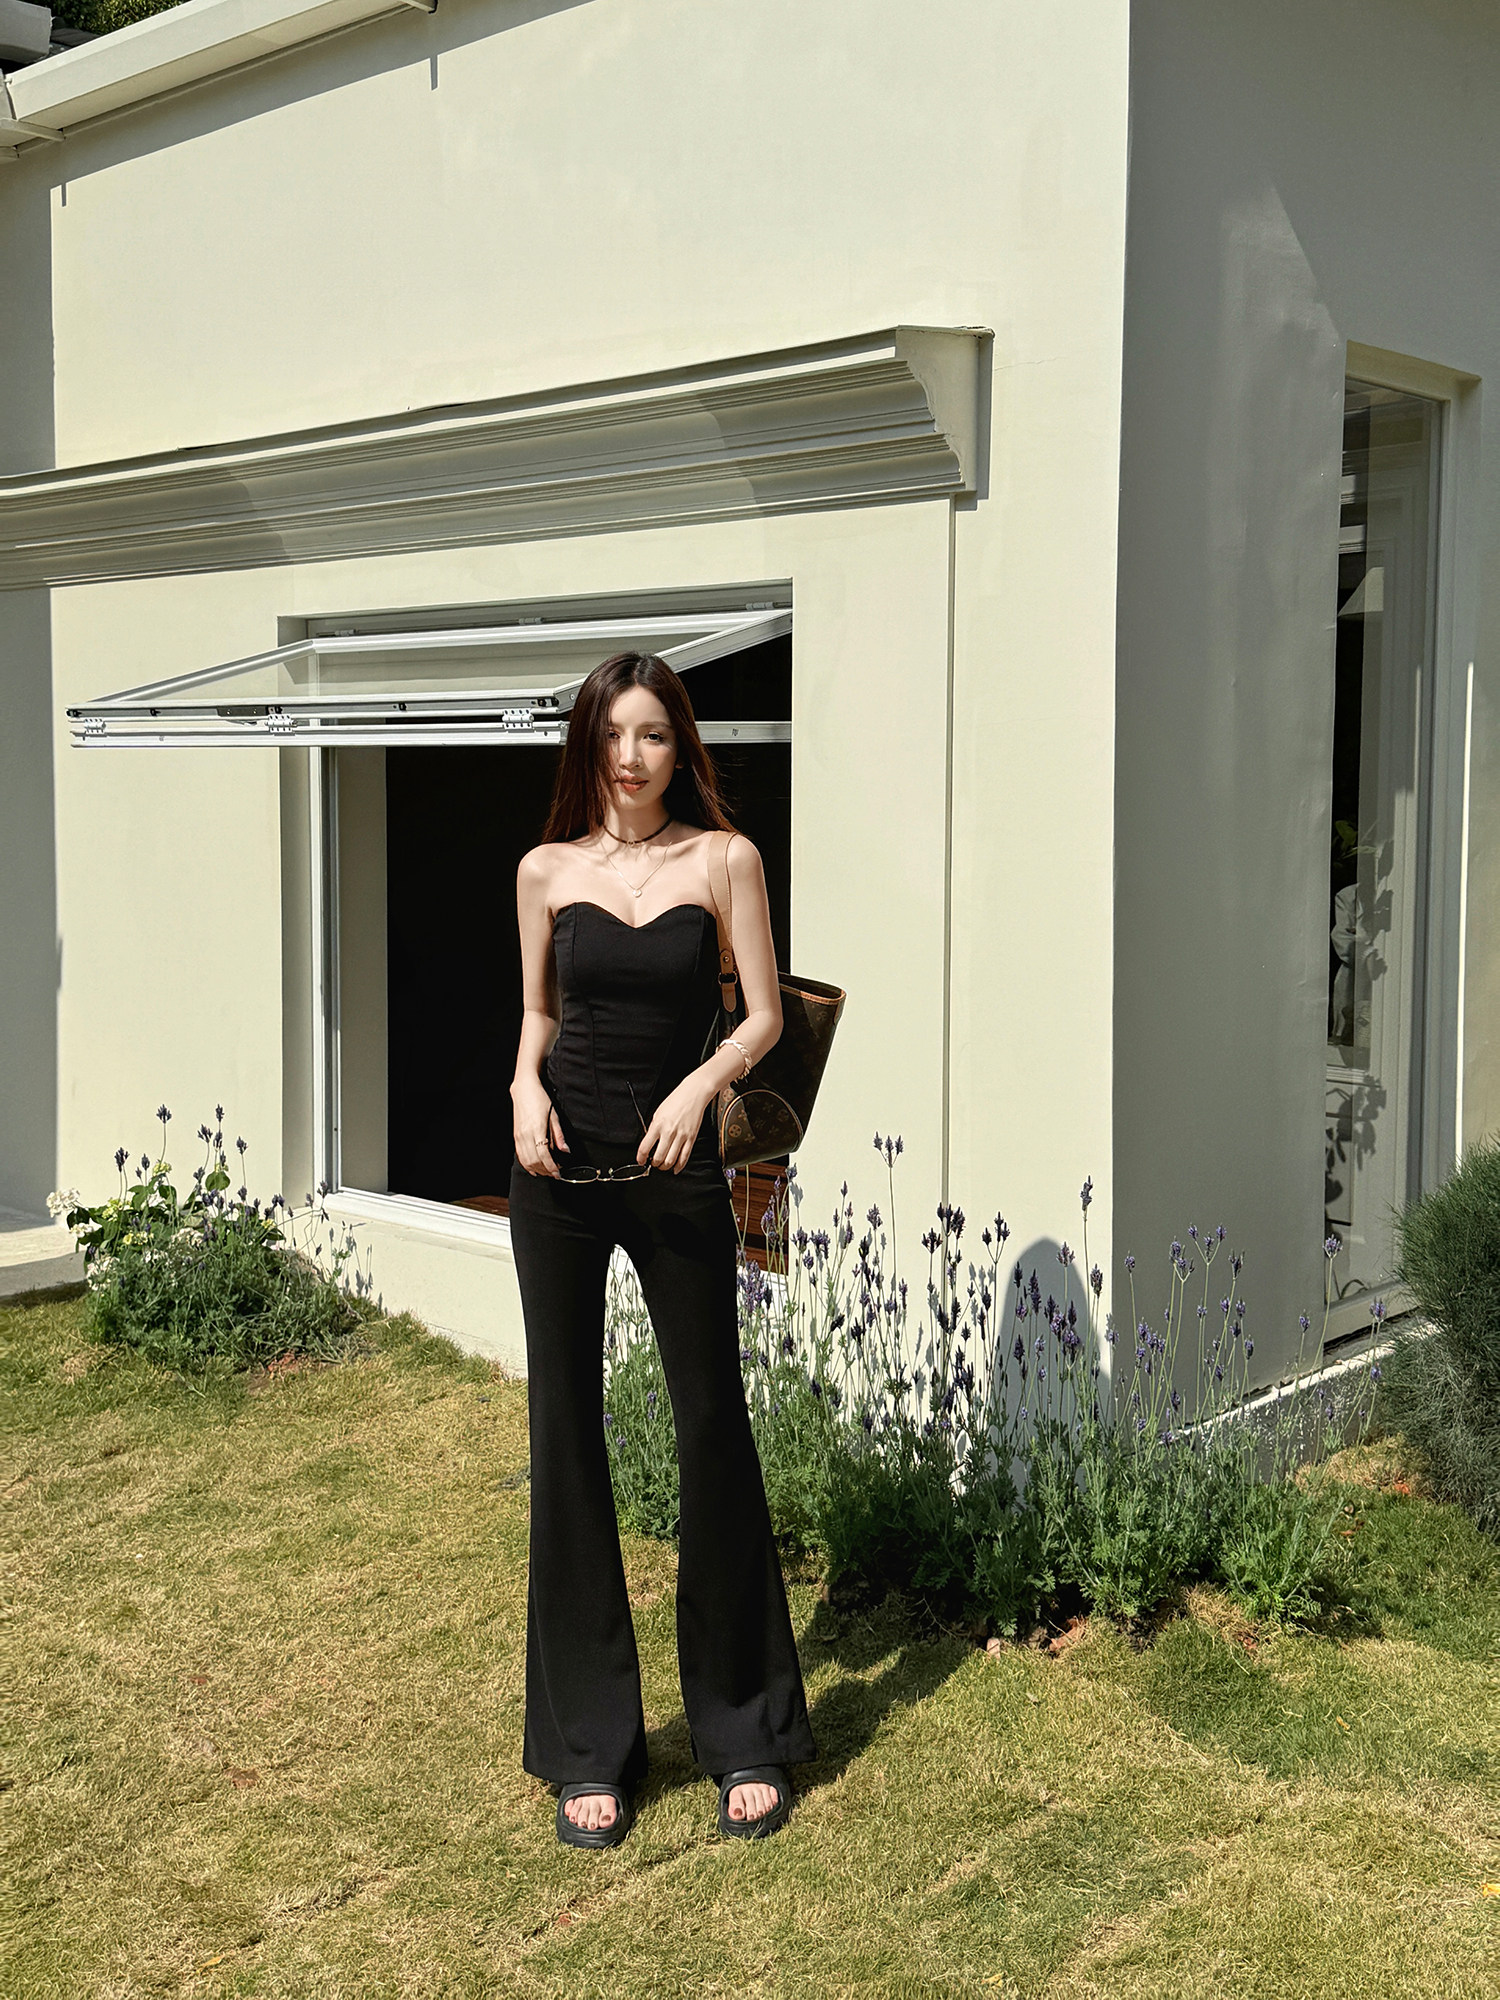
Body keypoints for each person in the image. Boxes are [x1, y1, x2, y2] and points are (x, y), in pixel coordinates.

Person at [508, 650, 816, 1850]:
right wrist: (523, 1086)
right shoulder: (545, 870)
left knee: (712, 1426)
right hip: (558, 1175)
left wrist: (697, 1086)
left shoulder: (723, 858)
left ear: (679, 746)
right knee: (564, 1432)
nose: (631, 756)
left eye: (651, 734)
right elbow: (539, 1011)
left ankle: (745, 1725)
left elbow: (767, 1012)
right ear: (587, 745)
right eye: (612, 734)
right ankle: (590, 1744)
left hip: (676, 1169)